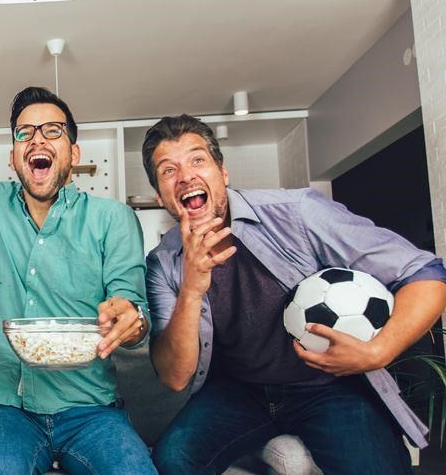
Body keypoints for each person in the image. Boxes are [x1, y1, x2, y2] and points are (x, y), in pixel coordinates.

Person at [142, 114, 446, 474]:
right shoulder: (164, 262)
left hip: (328, 387)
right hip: (239, 389)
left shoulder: (298, 212)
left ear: (222, 173)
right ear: (160, 196)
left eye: (197, 160)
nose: (186, 176)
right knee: (172, 459)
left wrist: (379, 350)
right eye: (168, 170)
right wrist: (191, 289)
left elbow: (425, 273)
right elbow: (175, 376)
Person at [0, 43, 156, 475]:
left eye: (53, 131)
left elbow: (134, 313)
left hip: (93, 411)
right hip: (12, 411)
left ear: (74, 154)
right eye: (24, 133)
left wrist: (132, 319)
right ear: (13, 158)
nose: (37, 139)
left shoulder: (112, 219)